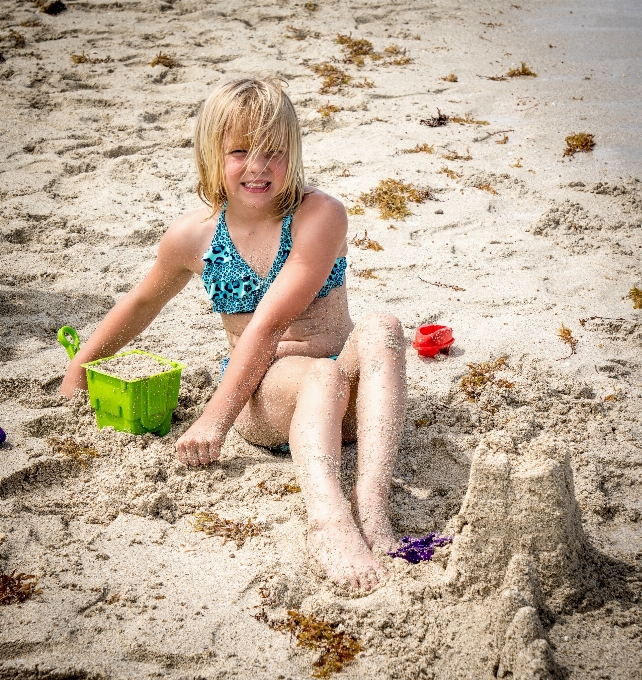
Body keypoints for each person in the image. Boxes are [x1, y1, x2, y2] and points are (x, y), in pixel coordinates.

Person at [59, 77, 407, 590]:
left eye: (274, 151)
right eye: (240, 151)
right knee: (320, 375)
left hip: (348, 403)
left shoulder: (320, 214)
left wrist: (209, 420)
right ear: (211, 155)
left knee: (384, 327)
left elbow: (271, 318)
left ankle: (372, 504)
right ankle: (328, 519)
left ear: (294, 152)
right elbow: (142, 302)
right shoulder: (193, 236)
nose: (259, 166)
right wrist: (77, 371)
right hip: (267, 400)